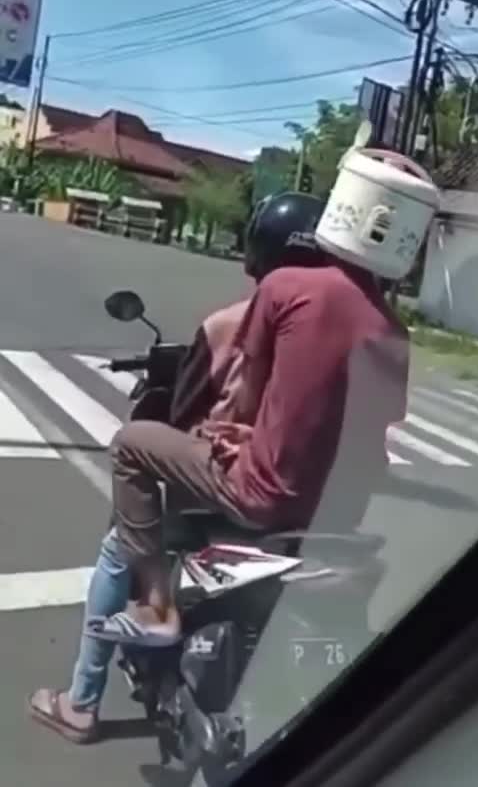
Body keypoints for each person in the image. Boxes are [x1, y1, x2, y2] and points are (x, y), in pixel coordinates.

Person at [26, 192, 329, 743]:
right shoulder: (347, 333)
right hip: (316, 495)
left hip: (236, 484)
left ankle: (81, 702)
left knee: (119, 546)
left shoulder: (229, 325)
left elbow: (188, 410)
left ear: (256, 253)